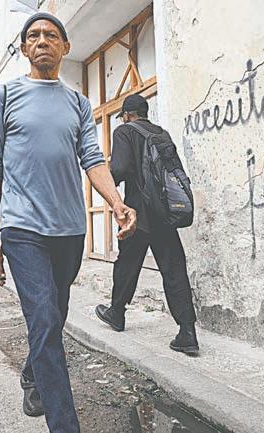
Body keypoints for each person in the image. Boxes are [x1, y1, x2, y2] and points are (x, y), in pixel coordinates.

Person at [0, 12, 137, 433]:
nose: (42, 41)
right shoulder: (3, 97)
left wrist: (117, 203)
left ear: (65, 47)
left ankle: (34, 374)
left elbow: (93, 158)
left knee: (54, 313)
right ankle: (64, 424)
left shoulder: (78, 103)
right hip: (22, 229)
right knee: (45, 316)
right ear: (24, 48)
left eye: (51, 35)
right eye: (33, 35)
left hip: (69, 229)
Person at [94, 94, 200, 355]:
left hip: (137, 213)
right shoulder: (161, 134)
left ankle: (117, 312)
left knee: (127, 264)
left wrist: (107, 182)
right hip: (164, 213)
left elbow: (120, 168)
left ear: (127, 115)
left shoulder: (124, 132)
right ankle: (187, 331)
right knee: (174, 269)